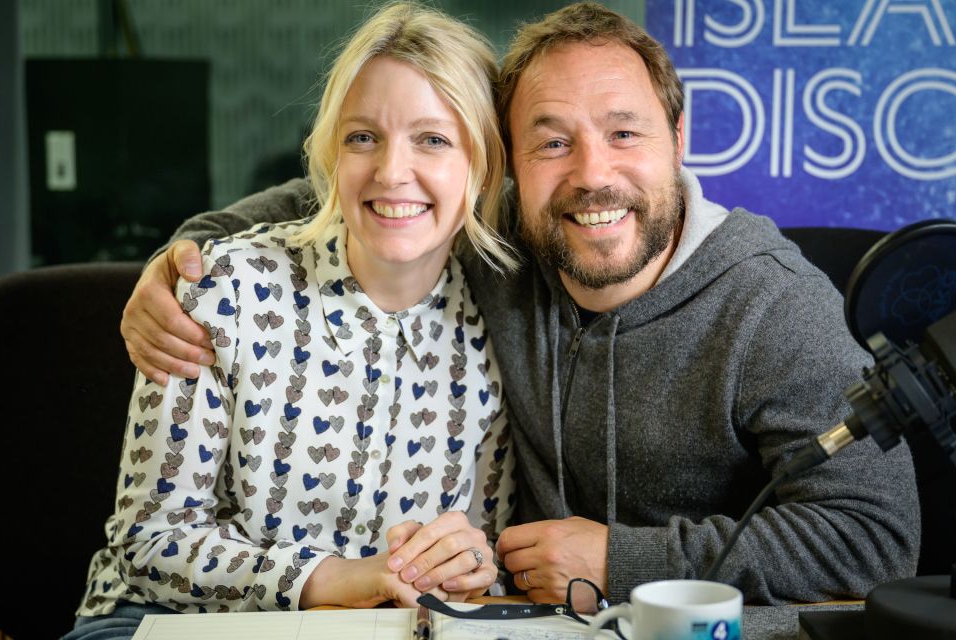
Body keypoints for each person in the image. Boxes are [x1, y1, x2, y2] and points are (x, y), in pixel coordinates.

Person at [120, 2, 920, 607]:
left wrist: (620, 561)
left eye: (624, 134)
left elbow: (879, 540)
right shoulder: (503, 240)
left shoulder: (770, 302)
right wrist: (186, 253)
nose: (590, 175)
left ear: (679, 139)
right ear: (506, 167)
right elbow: (366, 189)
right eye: (551, 142)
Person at [67, 4, 518, 637]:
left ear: (484, 166)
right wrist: (331, 579)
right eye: (363, 137)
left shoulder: (495, 338)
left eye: (433, 139)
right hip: (161, 620)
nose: (392, 172)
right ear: (332, 152)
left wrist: (471, 565)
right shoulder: (224, 289)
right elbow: (149, 541)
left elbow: (481, 555)